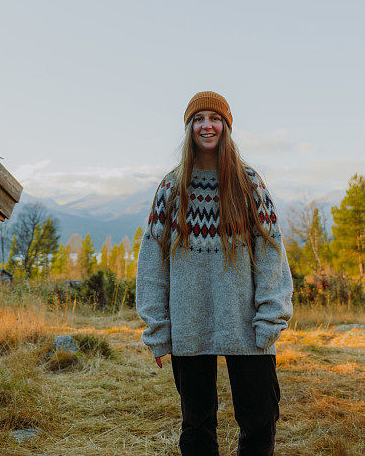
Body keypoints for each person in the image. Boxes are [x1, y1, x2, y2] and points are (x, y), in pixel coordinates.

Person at [135, 91, 294, 456]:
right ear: (190, 128)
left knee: (260, 419)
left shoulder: (248, 183)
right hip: (190, 324)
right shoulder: (171, 188)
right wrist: (157, 328)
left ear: (226, 126)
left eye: (215, 118)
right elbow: (152, 263)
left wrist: (272, 316)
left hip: (246, 325)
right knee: (197, 424)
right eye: (199, 119)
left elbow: (271, 253)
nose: (207, 125)